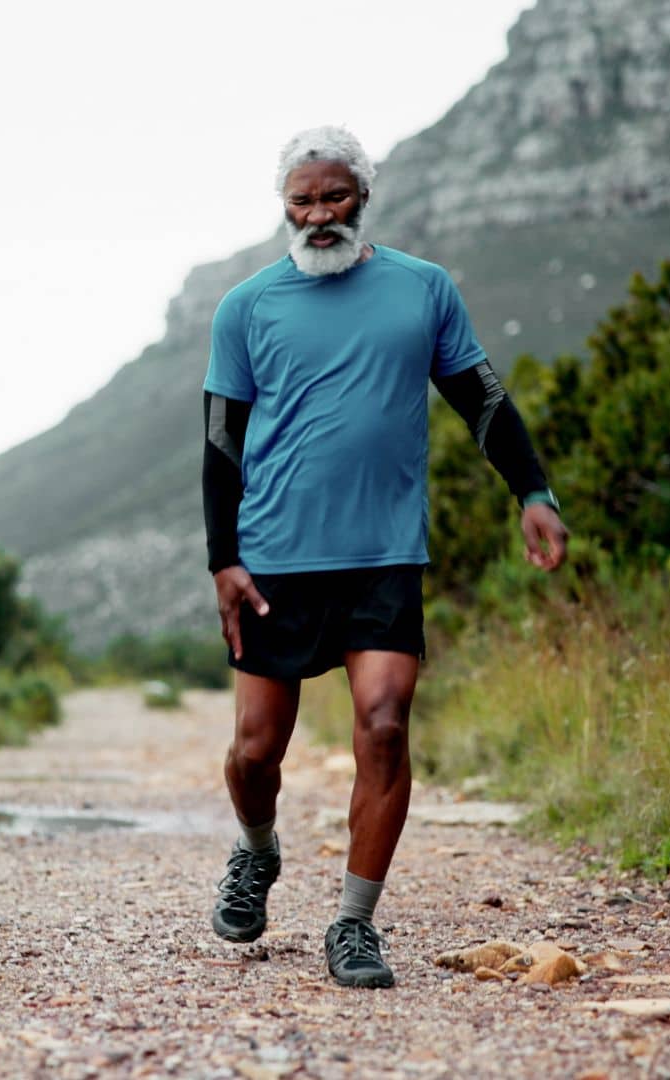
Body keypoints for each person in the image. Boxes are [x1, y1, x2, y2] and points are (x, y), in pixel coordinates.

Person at [200, 125, 568, 988]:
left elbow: (481, 399)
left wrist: (534, 492)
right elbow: (220, 444)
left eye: (334, 197)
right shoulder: (246, 307)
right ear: (283, 205)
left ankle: (355, 924)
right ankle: (257, 852)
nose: (318, 215)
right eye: (303, 200)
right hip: (274, 559)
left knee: (386, 726)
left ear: (363, 197)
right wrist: (224, 559)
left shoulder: (422, 290)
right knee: (256, 752)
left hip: (384, 557)